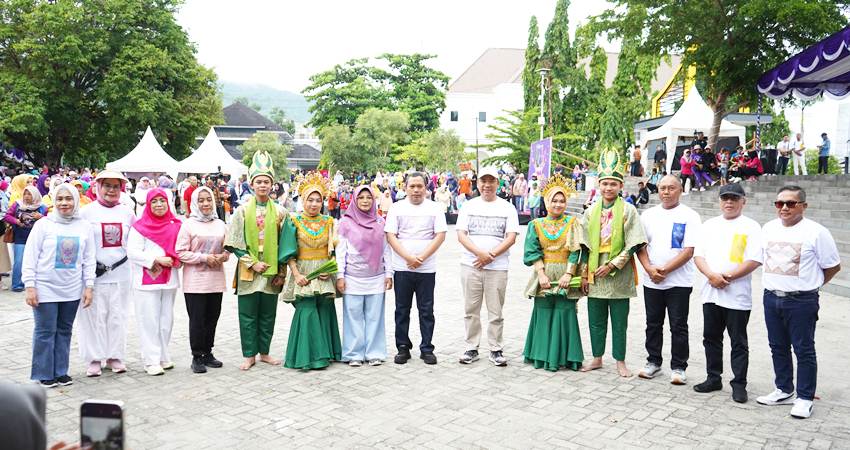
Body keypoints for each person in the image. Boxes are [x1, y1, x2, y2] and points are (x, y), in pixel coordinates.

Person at [757, 185, 841, 419]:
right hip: (771, 297)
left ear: (803, 206)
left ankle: (804, 397)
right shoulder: (768, 228)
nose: (784, 208)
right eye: (779, 203)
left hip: (801, 300)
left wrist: (811, 285)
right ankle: (783, 389)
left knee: (803, 349)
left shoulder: (816, 232)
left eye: (791, 203)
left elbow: (832, 266)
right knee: (777, 346)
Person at [690, 183, 762, 403]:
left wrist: (726, 277)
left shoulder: (751, 227)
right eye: (725, 198)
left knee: (738, 341)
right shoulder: (709, 225)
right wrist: (712, 276)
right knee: (711, 338)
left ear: (743, 201)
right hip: (711, 292)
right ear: (719, 201)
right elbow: (698, 255)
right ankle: (713, 377)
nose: (729, 202)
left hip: (737, 295)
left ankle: (739, 383)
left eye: (734, 198)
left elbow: (754, 260)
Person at [581, 150, 647, 377]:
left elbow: (634, 243)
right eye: (605, 184)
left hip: (619, 272)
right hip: (594, 270)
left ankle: (620, 360)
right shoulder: (589, 212)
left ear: (620, 186)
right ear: (599, 185)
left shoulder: (629, 210)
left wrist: (612, 265)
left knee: (620, 321)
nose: (608, 188)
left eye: (613, 184)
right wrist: (584, 274)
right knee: (595, 319)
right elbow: (583, 246)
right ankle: (597, 357)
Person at [223, 151, 291, 371]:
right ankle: (249, 354)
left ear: (273, 185)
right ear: (251, 184)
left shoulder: (281, 212)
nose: (263, 185)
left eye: (266, 182)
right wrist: (252, 262)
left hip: (272, 268)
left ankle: (265, 352)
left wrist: (281, 271)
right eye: (259, 182)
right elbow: (233, 242)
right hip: (249, 269)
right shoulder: (242, 211)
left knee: (268, 314)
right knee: (248, 313)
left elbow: (287, 244)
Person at [23, 183, 95, 387]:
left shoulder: (84, 226)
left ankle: (61, 371)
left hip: (71, 289)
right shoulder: (43, 225)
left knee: (64, 330)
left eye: (69, 198)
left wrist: (89, 286)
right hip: (45, 287)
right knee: (45, 331)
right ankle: (44, 373)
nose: (64, 203)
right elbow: (30, 257)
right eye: (60, 199)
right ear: (54, 201)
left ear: (76, 200)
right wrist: (30, 286)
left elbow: (89, 259)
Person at [636, 175, 701, 384]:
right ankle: (653, 362)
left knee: (678, 325)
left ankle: (679, 367)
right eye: (662, 188)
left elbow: (689, 250)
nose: (666, 192)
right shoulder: (648, 215)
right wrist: (649, 269)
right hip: (651, 280)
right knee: (653, 323)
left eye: (671, 188)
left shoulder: (690, 216)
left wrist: (663, 270)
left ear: (680, 190)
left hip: (679, 282)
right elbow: (641, 246)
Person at [455, 168, 520, 366]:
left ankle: (495, 348)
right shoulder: (468, 206)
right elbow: (461, 234)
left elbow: (511, 237)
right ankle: (471, 347)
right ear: (478, 183)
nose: (487, 185)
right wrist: (480, 254)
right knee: (470, 309)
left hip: (497, 267)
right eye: (483, 181)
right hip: (471, 265)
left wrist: (490, 255)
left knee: (496, 311)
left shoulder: (507, 208)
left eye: (491, 181)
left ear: (497, 183)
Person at [521, 174, 586, 371]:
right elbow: (532, 251)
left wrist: (569, 274)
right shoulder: (536, 224)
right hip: (545, 272)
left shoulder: (573, 222)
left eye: (562, 200)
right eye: (554, 200)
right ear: (546, 201)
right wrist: (541, 274)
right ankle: (541, 356)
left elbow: (577, 250)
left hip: (567, 273)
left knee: (565, 312)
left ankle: (565, 357)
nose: (558, 205)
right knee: (543, 311)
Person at [77, 170, 136, 376]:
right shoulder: (86, 212)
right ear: (98, 187)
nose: (111, 190)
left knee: (117, 315)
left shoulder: (128, 212)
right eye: (107, 186)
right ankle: (94, 358)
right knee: (93, 316)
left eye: (115, 186)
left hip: (121, 272)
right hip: (95, 274)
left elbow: (135, 241)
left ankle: (115, 355)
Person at [385, 172, 447, 365]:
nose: (416, 190)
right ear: (405, 187)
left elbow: (440, 235)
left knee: (426, 310)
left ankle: (427, 348)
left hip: (426, 269)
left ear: (426, 188)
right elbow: (391, 236)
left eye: (420, 186)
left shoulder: (435, 208)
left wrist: (421, 258)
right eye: (412, 186)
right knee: (402, 310)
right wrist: (408, 258)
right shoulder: (396, 208)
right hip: (402, 269)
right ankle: (402, 347)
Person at [280, 173, 340, 370]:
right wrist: (297, 275)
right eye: (310, 200)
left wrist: (329, 270)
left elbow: (333, 250)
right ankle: (306, 357)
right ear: (303, 200)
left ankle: (327, 353)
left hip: (324, 272)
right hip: (303, 271)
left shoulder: (329, 222)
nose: (314, 204)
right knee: (306, 311)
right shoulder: (293, 221)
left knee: (325, 309)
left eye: (318, 200)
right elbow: (288, 252)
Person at [127, 188, 182, 376]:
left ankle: (163, 356)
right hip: (146, 281)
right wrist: (156, 259)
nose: (159, 205)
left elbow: (181, 248)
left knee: (166, 320)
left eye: (162, 201)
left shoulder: (176, 225)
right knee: (149, 320)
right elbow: (132, 252)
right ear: (148, 205)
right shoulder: (139, 226)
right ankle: (150, 360)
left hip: (169, 280)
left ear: (168, 203)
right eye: (154, 201)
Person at [336, 185, 393, 367]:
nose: (365, 201)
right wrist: (340, 275)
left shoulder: (380, 222)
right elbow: (340, 252)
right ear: (354, 200)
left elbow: (387, 250)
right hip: (352, 277)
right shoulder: (345, 223)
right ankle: (354, 353)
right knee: (353, 316)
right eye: (361, 198)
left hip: (376, 277)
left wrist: (389, 273)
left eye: (369, 197)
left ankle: (374, 353)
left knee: (375, 316)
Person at [176, 186, 229, 374]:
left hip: (215, 279)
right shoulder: (188, 225)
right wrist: (205, 258)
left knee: (212, 317)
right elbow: (181, 252)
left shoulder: (220, 224)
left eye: (208, 200)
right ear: (194, 203)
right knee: (197, 319)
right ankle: (197, 355)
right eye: (201, 200)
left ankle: (208, 352)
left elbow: (228, 248)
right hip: (195, 281)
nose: (205, 203)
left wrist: (223, 256)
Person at [4, 185, 46, 292]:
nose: (27, 197)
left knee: (38, 261)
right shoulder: (18, 204)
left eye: (29, 194)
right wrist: (16, 221)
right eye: (25, 194)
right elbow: (7, 216)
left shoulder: (42, 207)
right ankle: (17, 284)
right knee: (19, 261)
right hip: (20, 236)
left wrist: (41, 217)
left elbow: (51, 220)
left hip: (37, 238)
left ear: (35, 195)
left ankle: (35, 283)